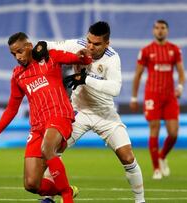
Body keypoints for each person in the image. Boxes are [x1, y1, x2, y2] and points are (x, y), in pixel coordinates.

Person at [0, 32, 92, 203]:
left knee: (47, 149)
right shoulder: (18, 75)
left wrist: (84, 57)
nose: (17, 57)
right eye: (13, 54)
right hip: (37, 126)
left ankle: (68, 198)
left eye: (19, 51)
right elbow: (11, 109)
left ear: (29, 46)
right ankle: (67, 189)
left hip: (59, 115)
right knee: (32, 184)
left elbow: (79, 60)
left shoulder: (50, 57)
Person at [41, 21, 145, 203]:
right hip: (78, 112)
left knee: (127, 157)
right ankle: (48, 197)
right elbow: (49, 46)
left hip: (105, 115)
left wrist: (86, 79)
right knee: (53, 149)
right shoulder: (78, 45)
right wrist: (41, 46)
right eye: (89, 41)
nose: (90, 46)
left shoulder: (113, 58)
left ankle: (140, 201)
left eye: (96, 44)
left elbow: (115, 89)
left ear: (107, 44)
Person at [130, 20, 186, 180]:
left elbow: (181, 73)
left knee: (173, 133)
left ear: (167, 31)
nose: (160, 31)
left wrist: (180, 87)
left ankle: (161, 156)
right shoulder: (146, 51)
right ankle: (156, 169)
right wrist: (134, 97)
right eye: (157, 28)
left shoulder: (174, 50)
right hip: (152, 95)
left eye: (162, 28)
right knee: (154, 128)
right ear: (153, 31)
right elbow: (138, 75)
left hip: (170, 97)